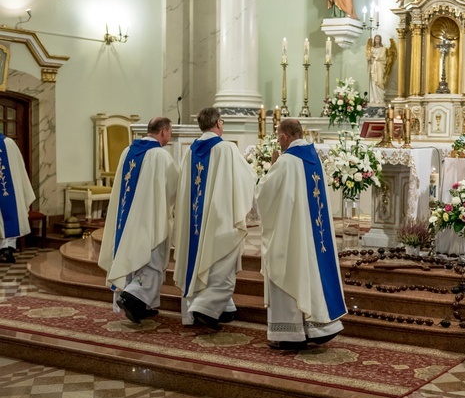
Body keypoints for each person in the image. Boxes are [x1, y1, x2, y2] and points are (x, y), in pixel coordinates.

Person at [256, 118, 346, 350]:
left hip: (292, 233)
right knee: (311, 273)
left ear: (285, 136)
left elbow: (265, 195)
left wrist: (271, 168)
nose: (278, 140)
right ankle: (317, 327)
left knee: (288, 269)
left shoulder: (286, 162)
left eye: (278, 136)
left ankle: (290, 335)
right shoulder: (313, 158)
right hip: (313, 234)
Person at [173, 108, 256, 330]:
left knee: (203, 261)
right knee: (222, 267)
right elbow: (245, 179)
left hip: (195, 219)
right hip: (220, 218)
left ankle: (223, 309)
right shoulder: (226, 148)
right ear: (219, 123)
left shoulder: (191, 151)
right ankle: (205, 309)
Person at [98, 117, 179, 324]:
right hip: (150, 218)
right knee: (151, 261)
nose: (169, 137)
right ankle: (133, 297)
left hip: (126, 219)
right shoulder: (161, 155)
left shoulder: (128, 151)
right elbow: (173, 189)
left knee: (131, 256)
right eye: (169, 133)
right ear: (163, 132)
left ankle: (143, 305)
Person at [0, 133, 35, 263]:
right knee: (11, 213)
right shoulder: (10, 143)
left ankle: (5, 248)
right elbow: (19, 168)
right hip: (11, 192)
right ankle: (8, 248)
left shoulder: (8, 142)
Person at [367, 34, 387, 106]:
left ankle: (380, 99)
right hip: (373, 67)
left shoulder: (383, 48)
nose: (377, 40)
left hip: (379, 66)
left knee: (380, 81)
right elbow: (369, 58)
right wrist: (369, 57)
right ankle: (374, 99)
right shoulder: (372, 48)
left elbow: (382, 57)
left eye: (378, 39)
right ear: (374, 40)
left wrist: (374, 56)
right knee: (373, 82)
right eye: (376, 39)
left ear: (380, 40)